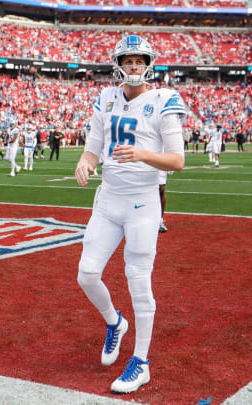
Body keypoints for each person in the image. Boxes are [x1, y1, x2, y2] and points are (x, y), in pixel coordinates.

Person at [74, 35, 185, 394]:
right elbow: (93, 149)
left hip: (142, 201)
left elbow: (177, 161)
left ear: (148, 63)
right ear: (118, 63)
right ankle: (114, 323)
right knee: (87, 274)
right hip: (108, 199)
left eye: (140, 60)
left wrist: (142, 155)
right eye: (128, 59)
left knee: (139, 281)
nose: (134, 66)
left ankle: (141, 362)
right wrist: (84, 163)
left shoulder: (163, 98)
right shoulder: (106, 97)